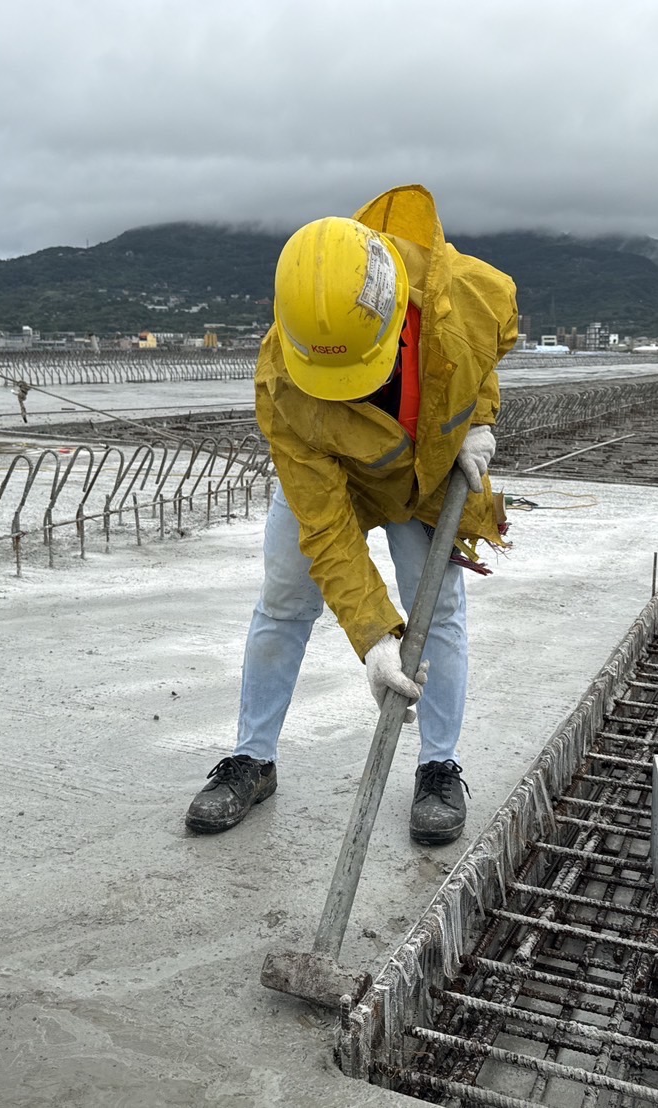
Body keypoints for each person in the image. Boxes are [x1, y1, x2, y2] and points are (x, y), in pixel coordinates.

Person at [185, 184, 518, 846]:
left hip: (423, 475)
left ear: (393, 305)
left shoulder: (474, 293)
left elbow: (484, 353)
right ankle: (252, 759)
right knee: (283, 604)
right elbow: (327, 531)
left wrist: (479, 421)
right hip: (335, 476)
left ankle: (437, 767)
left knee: (438, 611)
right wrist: (372, 639)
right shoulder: (280, 382)